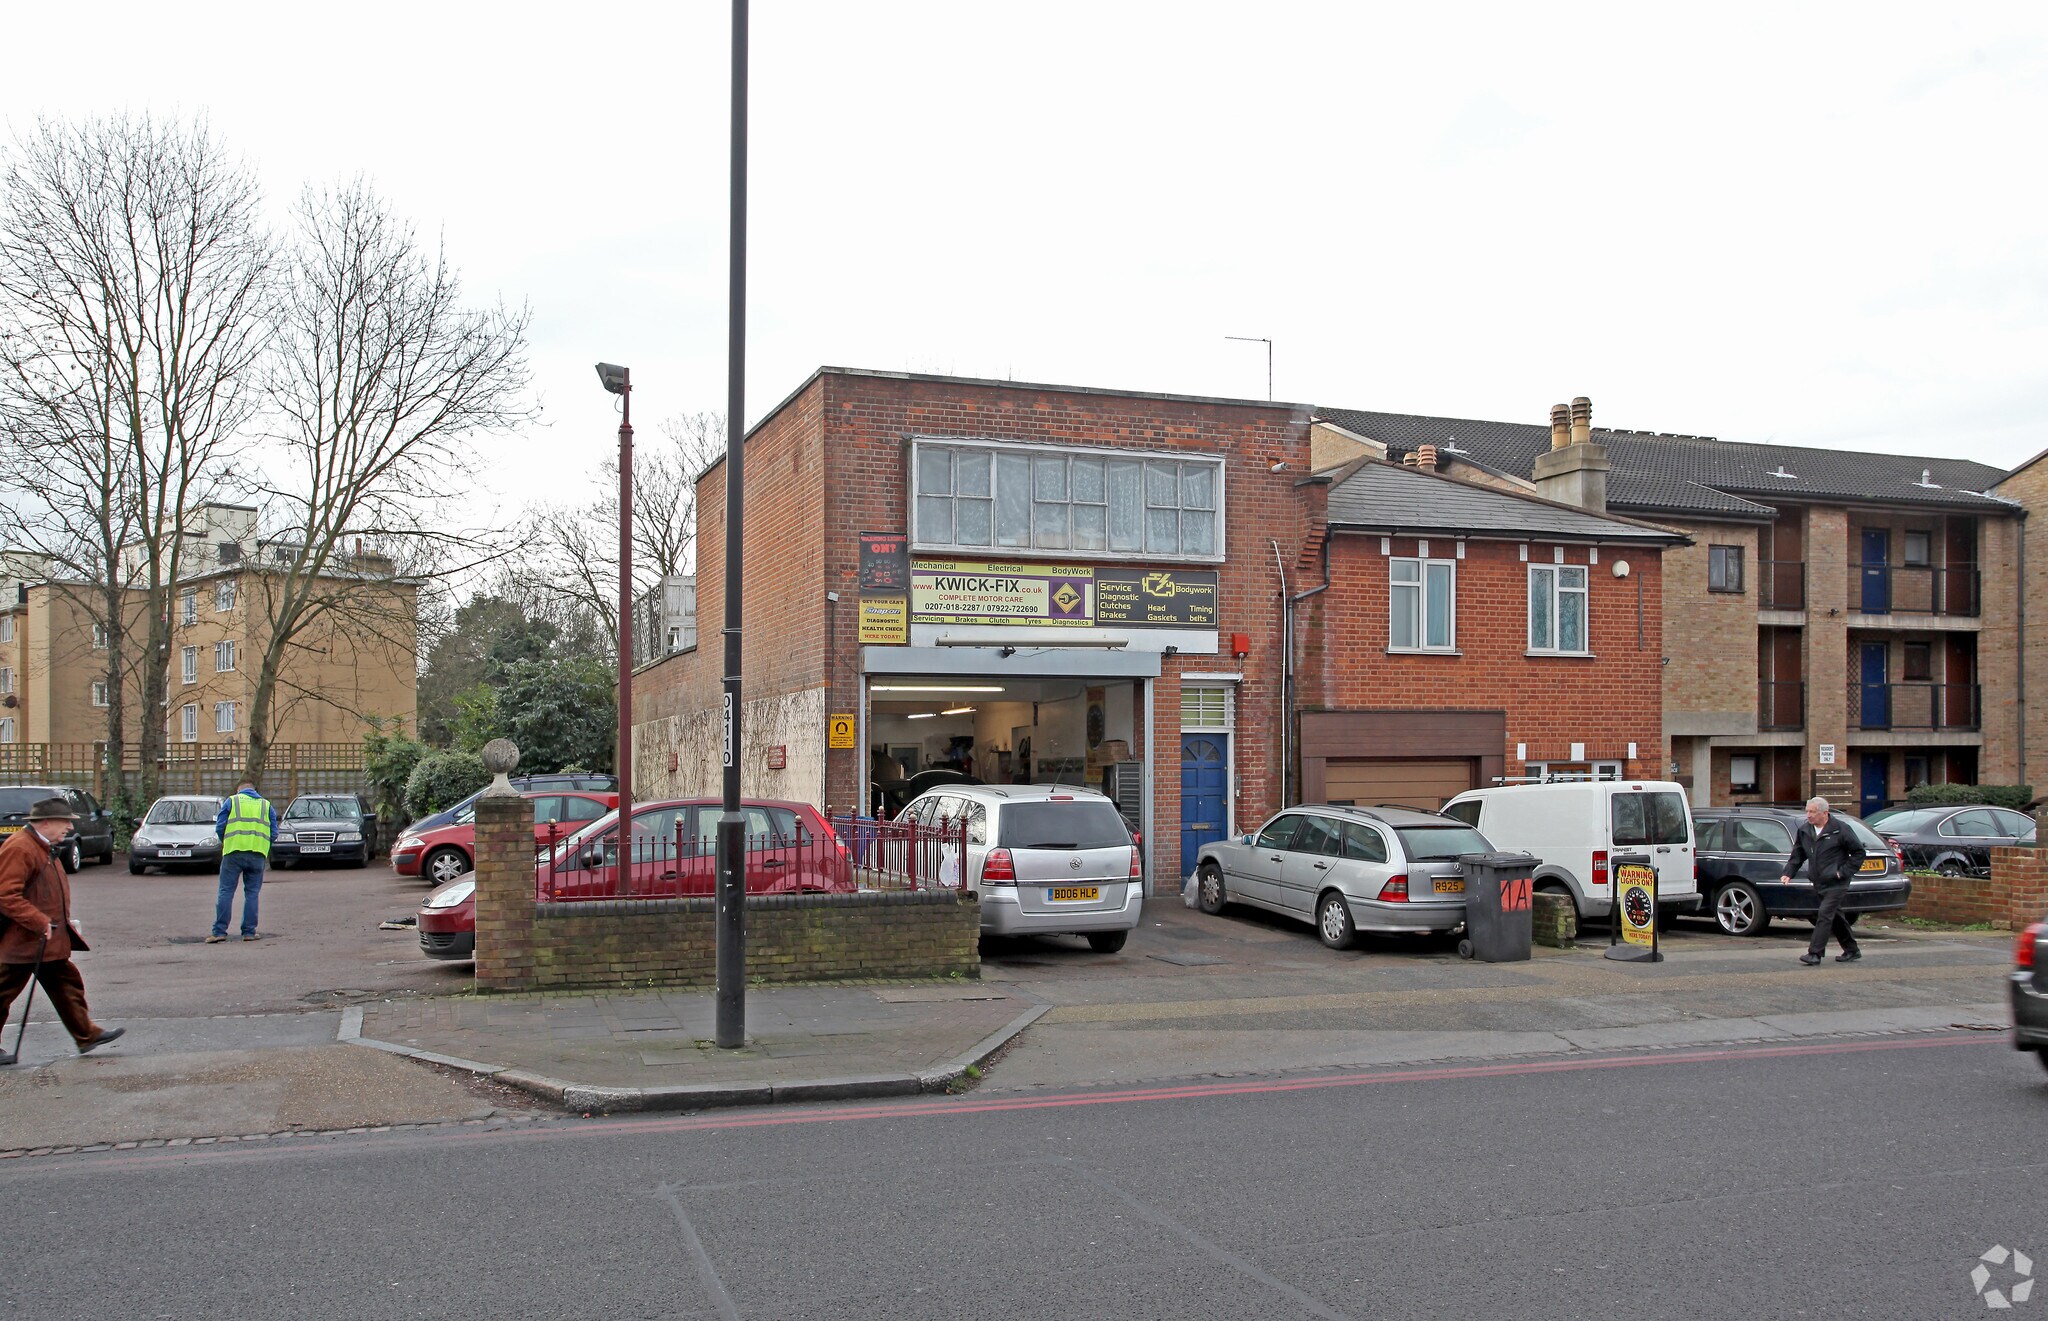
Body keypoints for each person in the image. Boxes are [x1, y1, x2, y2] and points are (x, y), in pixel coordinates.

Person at [0, 796, 123, 1064]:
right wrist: (38, 920)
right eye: (64, 822)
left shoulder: (42, 846)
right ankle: (86, 1035)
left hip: (45, 941)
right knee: (2, 993)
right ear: (45, 823)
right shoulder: (21, 848)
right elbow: (6, 895)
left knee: (67, 985)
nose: (68, 827)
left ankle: (86, 1035)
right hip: (24, 941)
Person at [1781, 795, 1866, 966]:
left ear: (1824, 813)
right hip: (1819, 881)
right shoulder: (1805, 830)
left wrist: (1843, 872)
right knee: (1835, 916)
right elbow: (1798, 854)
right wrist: (1788, 872)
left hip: (1837, 882)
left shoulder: (1840, 829)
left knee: (1824, 914)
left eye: (1812, 812)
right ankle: (1852, 949)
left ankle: (1815, 953)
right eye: (1807, 811)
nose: (1809, 815)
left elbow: (1858, 853)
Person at [211, 778, 278, 943]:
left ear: (239, 790)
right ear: (254, 790)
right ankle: (249, 932)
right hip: (257, 854)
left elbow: (220, 827)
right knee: (252, 894)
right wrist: (263, 845)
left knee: (226, 891)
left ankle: (219, 932)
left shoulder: (232, 801)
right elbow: (274, 832)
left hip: (233, 852)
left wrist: (227, 841)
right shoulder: (266, 805)